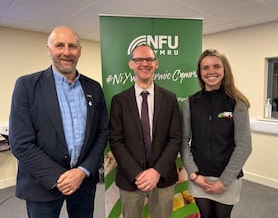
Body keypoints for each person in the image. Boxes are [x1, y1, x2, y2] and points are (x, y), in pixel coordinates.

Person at [9, 26, 109, 218]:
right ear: (49, 50)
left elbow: (102, 132)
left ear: (79, 51)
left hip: (84, 181)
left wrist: (82, 171)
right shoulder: (27, 86)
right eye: (59, 45)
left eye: (72, 46)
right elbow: (21, 143)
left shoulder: (93, 88)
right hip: (42, 184)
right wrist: (60, 177)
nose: (66, 52)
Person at [109, 44, 182, 218]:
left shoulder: (170, 98)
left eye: (149, 59)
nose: (144, 63)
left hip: (163, 177)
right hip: (131, 178)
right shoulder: (119, 101)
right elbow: (116, 141)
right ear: (131, 64)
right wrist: (138, 174)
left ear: (156, 63)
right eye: (139, 59)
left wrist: (156, 171)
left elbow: (175, 138)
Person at [180, 49, 252, 218]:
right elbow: (183, 141)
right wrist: (193, 174)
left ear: (224, 70)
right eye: (205, 67)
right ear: (199, 73)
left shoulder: (238, 103)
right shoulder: (190, 103)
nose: (211, 71)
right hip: (199, 178)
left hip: (228, 178)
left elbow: (244, 146)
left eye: (216, 66)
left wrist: (224, 181)